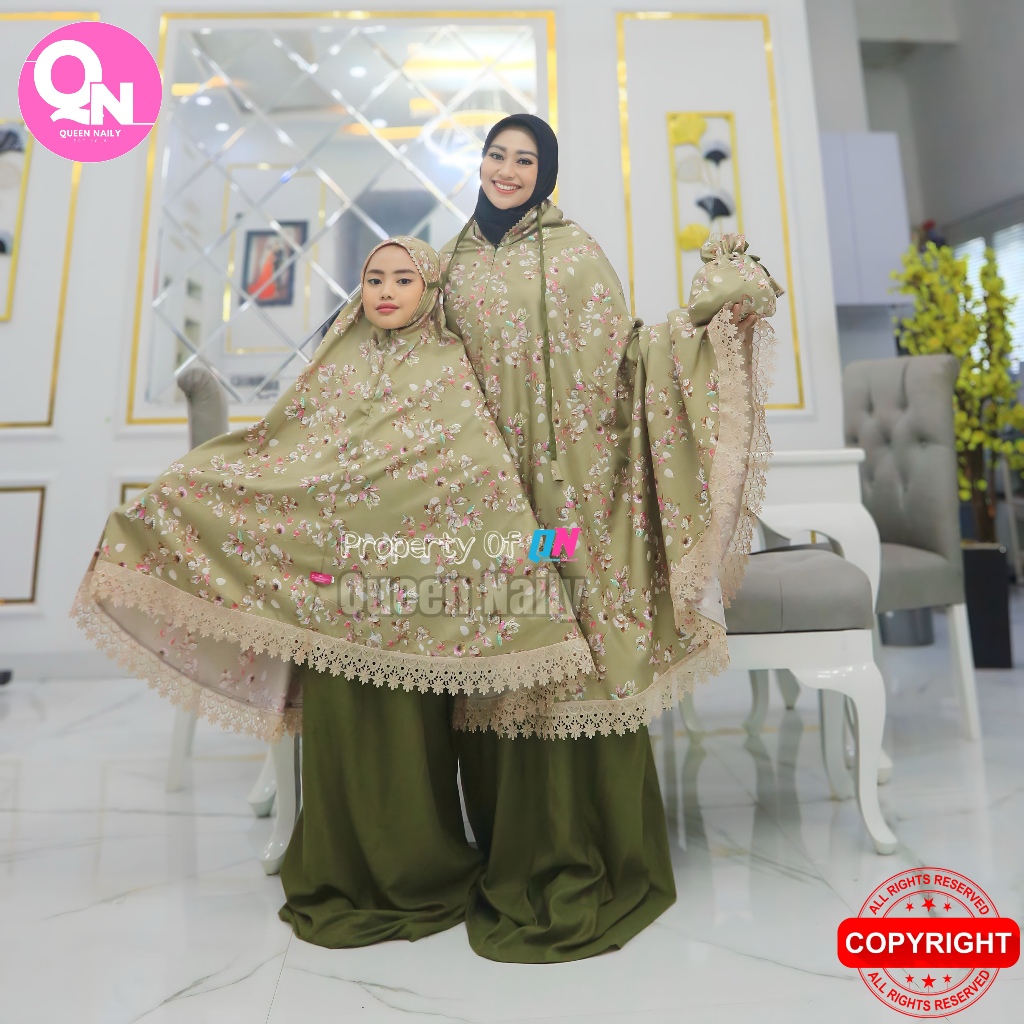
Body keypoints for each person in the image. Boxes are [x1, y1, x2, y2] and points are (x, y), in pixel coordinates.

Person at [72, 235, 597, 945]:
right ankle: (346, 858)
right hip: (335, 576)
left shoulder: (449, 365)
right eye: (374, 278)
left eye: (403, 279)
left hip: (419, 585)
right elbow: (286, 447)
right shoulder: (336, 362)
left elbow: (476, 471)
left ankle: (422, 858)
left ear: (429, 289)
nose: (386, 290)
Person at [440, 114, 779, 963]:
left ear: (545, 172)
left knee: (575, 646)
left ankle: (585, 849)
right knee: (498, 649)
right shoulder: (448, 263)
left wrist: (705, 328)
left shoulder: (575, 253)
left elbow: (625, 360)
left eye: (525, 159)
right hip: (479, 496)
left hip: (564, 499)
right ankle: (504, 848)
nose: (507, 169)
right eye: (496, 155)